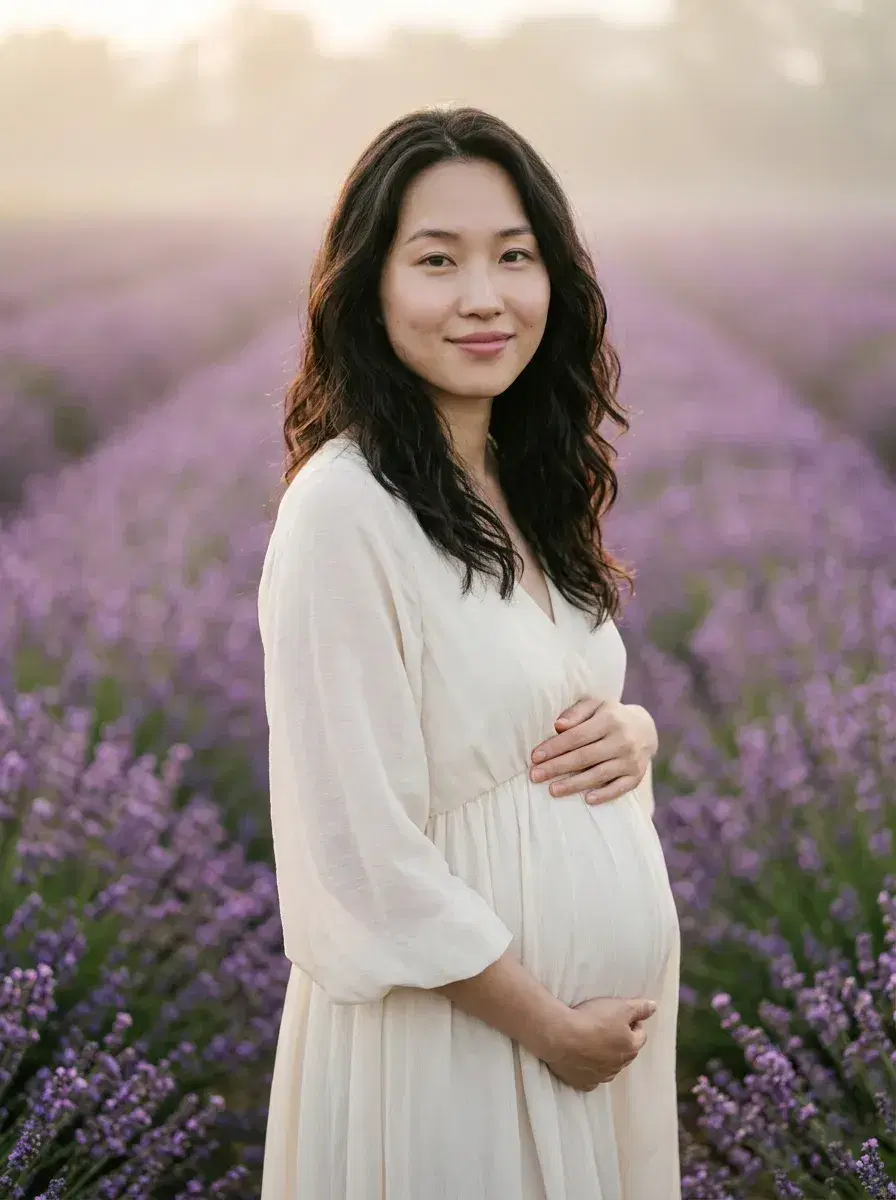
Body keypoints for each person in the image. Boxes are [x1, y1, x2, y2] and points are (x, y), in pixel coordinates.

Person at [256, 105, 681, 1199]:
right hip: (456, 1054)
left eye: (514, 257)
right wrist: (550, 1029)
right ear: (369, 287)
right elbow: (354, 847)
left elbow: (537, 691)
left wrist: (632, 730)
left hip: (578, 1057)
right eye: (436, 260)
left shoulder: (523, 481)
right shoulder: (343, 510)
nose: (483, 297)